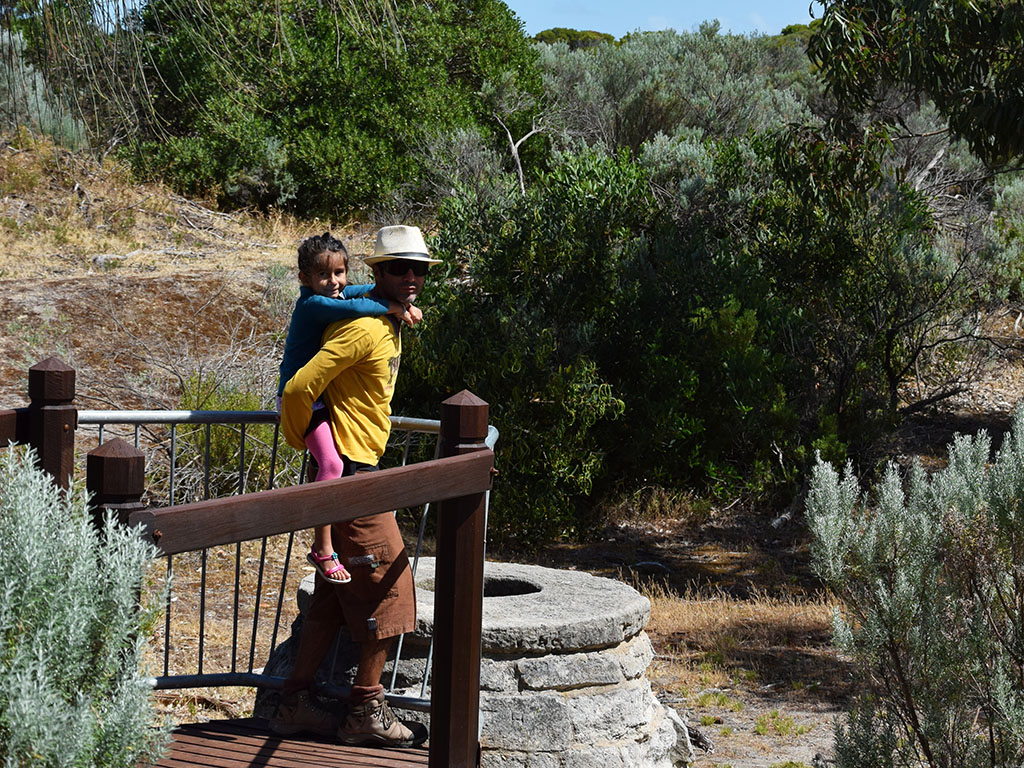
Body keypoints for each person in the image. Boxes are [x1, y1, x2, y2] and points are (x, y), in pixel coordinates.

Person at [270, 224, 441, 748]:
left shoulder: (383, 318)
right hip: (351, 472)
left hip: (354, 467)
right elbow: (300, 385)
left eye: (419, 269)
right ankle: (366, 707)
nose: (410, 277)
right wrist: (302, 436)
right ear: (379, 274)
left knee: (331, 594)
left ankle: (294, 701)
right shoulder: (364, 328)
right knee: (393, 584)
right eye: (398, 268)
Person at [277, 231, 422, 584]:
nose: (335, 282)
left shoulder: (340, 296)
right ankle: (321, 549)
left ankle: (328, 555)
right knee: (331, 464)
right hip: (307, 403)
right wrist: (393, 307)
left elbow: (356, 293)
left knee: (333, 606)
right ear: (305, 280)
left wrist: (397, 306)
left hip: (327, 411)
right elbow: (354, 304)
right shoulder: (316, 305)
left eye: (340, 273)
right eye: (400, 268)